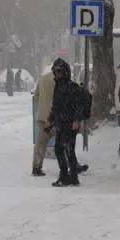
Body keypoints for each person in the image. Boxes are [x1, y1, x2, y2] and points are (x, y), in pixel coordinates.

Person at [46, 58, 84, 187]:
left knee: (66, 149)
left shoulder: (72, 87)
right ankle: (70, 175)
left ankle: (67, 175)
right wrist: (51, 118)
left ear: (65, 72)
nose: (58, 75)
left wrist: (76, 120)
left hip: (69, 123)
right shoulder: (58, 86)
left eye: (60, 72)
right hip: (61, 122)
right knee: (64, 149)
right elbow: (56, 105)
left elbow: (78, 105)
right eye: (56, 73)